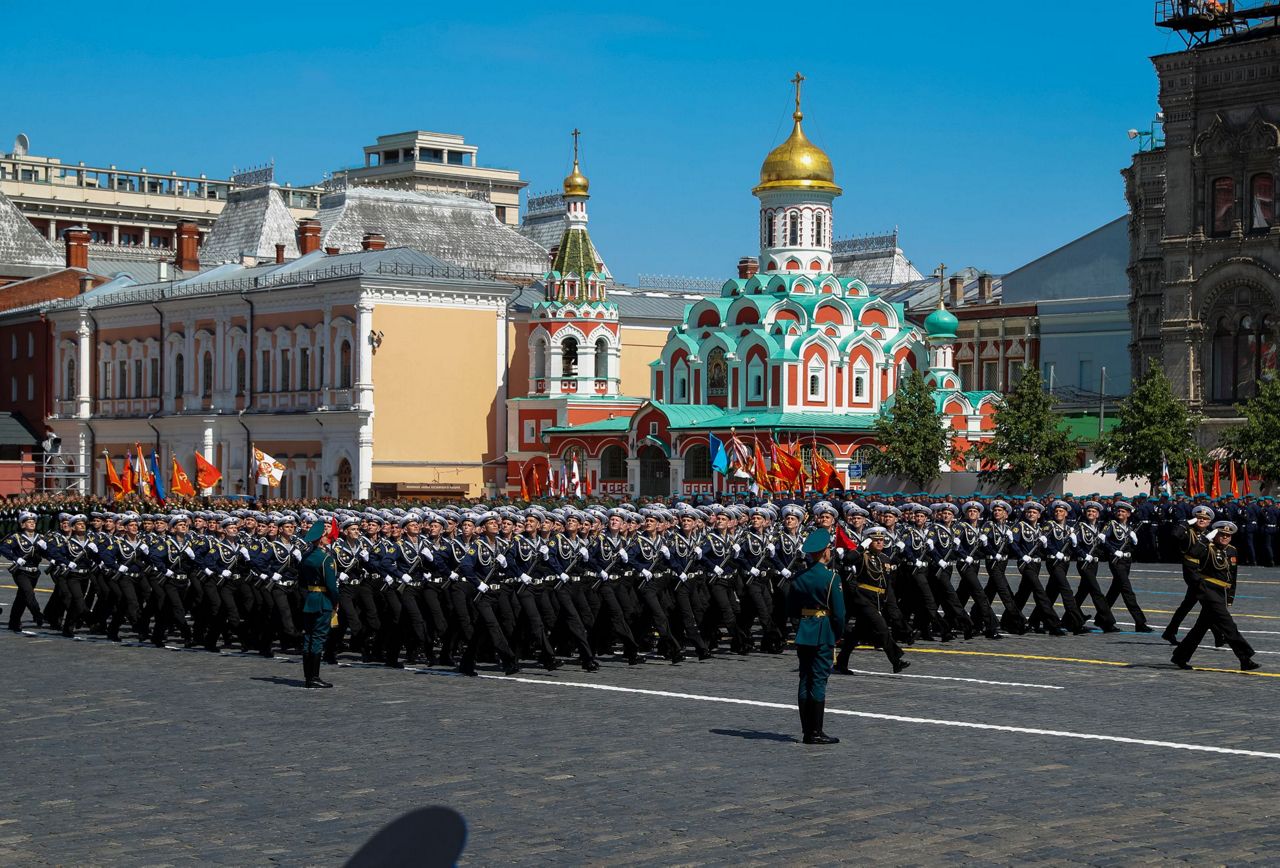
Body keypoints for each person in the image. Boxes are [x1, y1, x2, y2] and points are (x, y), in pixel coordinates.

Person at [1171, 521, 1259, 672]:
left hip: (1221, 593)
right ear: (1215, 535)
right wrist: (1205, 540)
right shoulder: (1206, 547)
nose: (1224, 537)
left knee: (1200, 628)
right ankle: (1245, 658)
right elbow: (1189, 556)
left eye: (1228, 535)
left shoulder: (1232, 551)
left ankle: (1180, 657)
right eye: (1221, 534)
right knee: (1228, 625)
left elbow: (1232, 577)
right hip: (1208, 591)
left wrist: (1230, 598)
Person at [786, 528, 845, 746]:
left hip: (804, 631)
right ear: (824, 552)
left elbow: (791, 608)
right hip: (823, 631)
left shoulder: (799, 577)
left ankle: (806, 730)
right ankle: (815, 732)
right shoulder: (831, 578)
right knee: (819, 680)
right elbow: (839, 614)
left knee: (805, 678)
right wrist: (837, 634)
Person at [300, 517, 341, 689]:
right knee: (318, 638)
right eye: (326, 535)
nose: (329, 537)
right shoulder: (325, 559)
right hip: (323, 600)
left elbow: (301, 581)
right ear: (320, 539)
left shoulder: (307, 556)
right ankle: (314, 677)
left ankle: (308, 676)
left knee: (308, 637)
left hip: (310, 598)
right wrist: (335, 601)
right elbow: (331, 585)